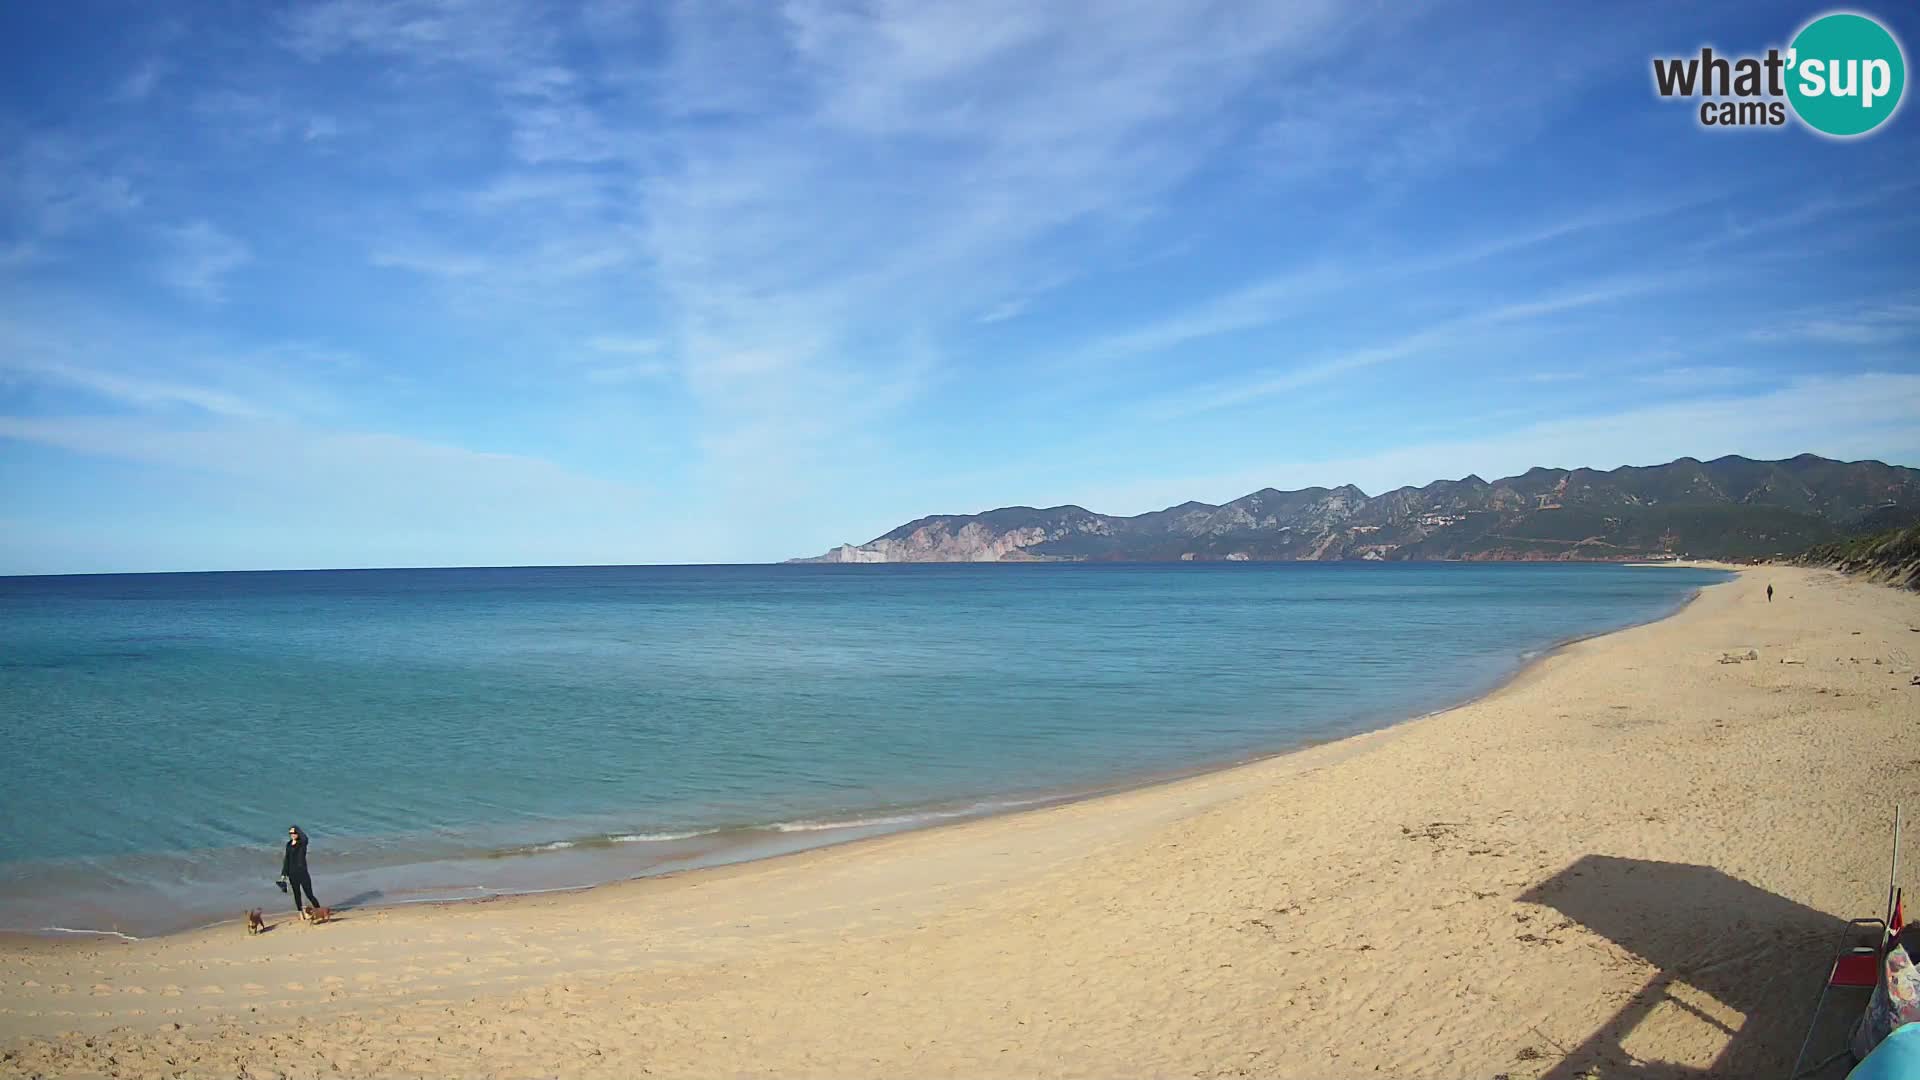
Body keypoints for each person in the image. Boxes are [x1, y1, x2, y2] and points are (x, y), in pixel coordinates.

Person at [280, 826, 320, 913]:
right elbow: (286, 859)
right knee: (297, 895)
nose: (292, 835)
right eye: (290, 833)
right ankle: (300, 913)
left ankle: (318, 909)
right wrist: (283, 874)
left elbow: (305, 838)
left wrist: (297, 829)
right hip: (292, 873)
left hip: (302, 873)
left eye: (294, 833)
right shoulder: (288, 844)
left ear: (298, 833)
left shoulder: (302, 843)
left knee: (309, 894)